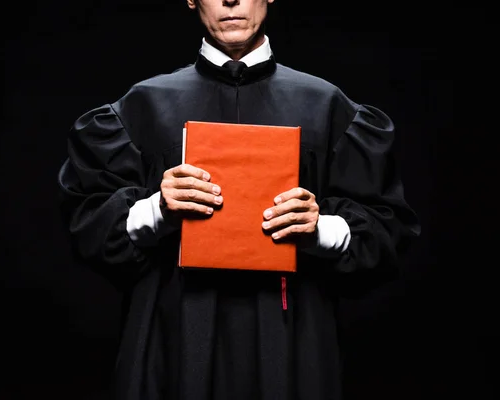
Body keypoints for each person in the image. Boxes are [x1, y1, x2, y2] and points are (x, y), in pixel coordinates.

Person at [57, 0, 421, 399]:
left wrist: (320, 228)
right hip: (174, 333)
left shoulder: (328, 107)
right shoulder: (142, 108)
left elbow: (390, 231)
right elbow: (87, 224)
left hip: (292, 337)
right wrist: (157, 208)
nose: (231, 0)